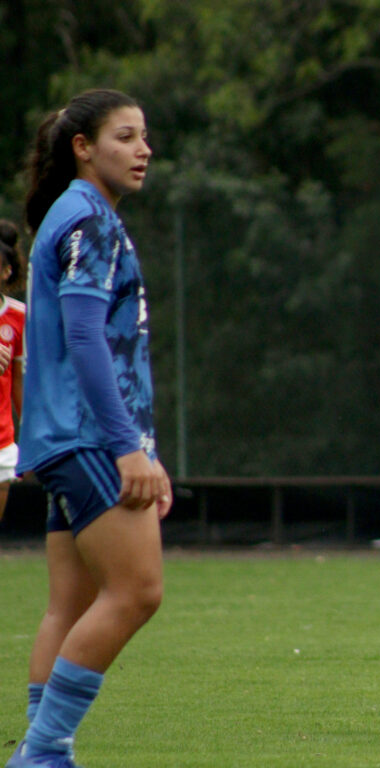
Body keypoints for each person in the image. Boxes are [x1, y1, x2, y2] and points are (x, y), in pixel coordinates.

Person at [7, 88, 171, 768]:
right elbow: (83, 336)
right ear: (83, 146)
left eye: (144, 138)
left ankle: (44, 752)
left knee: (67, 606)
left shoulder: (72, 215)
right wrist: (128, 447)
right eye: (126, 137)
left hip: (62, 436)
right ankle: (41, 756)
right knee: (137, 591)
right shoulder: (89, 218)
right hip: (89, 438)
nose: (144, 151)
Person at [0, 220, 26, 522]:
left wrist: (34, 437)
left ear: (7, 271)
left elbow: (19, 383)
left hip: (3, 442)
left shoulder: (19, 316)